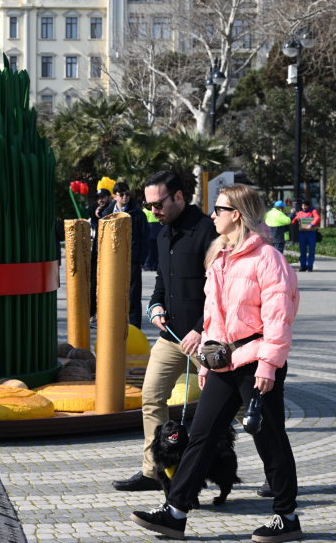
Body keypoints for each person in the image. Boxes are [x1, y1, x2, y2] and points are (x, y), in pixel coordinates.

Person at [132, 183, 301, 542]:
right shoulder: (220, 257)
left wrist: (269, 366)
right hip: (224, 361)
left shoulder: (268, 259)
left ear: (236, 215)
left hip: (257, 361)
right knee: (202, 437)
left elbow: (279, 319)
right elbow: (213, 319)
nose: (213, 215)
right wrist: (207, 363)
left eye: (219, 210)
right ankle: (175, 513)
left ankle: (287, 517)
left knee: (270, 438)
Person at [112, 170, 217, 493]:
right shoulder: (161, 234)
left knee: (239, 407)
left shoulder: (208, 231)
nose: (153, 211)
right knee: (151, 397)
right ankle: (152, 471)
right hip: (169, 339)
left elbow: (221, 292)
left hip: (207, 341)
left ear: (179, 197)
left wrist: (200, 330)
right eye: (149, 206)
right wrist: (154, 306)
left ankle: (275, 474)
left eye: (158, 204)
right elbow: (161, 282)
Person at [111, 182, 149, 328]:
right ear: (115, 196)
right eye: (121, 194)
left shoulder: (137, 213)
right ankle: (115, 328)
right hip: (113, 262)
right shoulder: (108, 213)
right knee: (114, 296)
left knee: (133, 297)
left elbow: (145, 237)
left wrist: (140, 260)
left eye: (127, 194)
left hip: (132, 261)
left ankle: (134, 329)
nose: (125, 197)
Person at [88, 179, 114, 327]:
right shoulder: (95, 207)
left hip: (110, 253)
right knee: (93, 283)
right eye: (98, 198)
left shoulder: (112, 209)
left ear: (110, 197)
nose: (100, 200)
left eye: (103, 197)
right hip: (97, 252)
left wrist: (104, 214)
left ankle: (105, 314)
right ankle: (92, 313)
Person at [292, 200, 321, 272]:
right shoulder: (300, 213)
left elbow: (318, 218)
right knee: (302, 250)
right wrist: (296, 219)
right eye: (302, 206)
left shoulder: (313, 211)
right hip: (302, 233)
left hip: (311, 233)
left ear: (308, 206)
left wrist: (311, 225)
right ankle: (303, 266)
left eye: (305, 206)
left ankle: (310, 266)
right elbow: (293, 222)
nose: (304, 207)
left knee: (311, 250)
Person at [143, 205, 161, 271]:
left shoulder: (145, 211)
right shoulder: (158, 209)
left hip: (150, 232)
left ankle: (148, 265)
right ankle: (156, 265)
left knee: (150, 251)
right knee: (156, 251)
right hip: (158, 230)